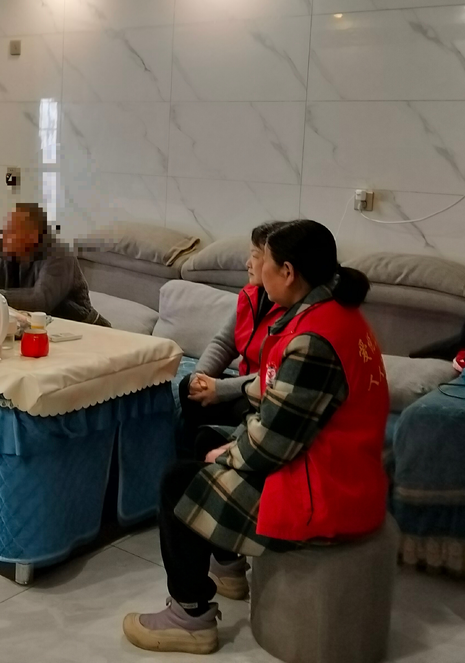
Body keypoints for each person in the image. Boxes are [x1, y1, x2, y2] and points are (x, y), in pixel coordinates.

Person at [123, 220, 389, 655]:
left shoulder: (314, 338)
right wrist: (231, 433)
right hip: (341, 470)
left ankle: (189, 617)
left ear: (287, 271)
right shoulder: (335, 314)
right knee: (205, 439)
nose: (255, 267)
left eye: (262, 260)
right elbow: (277, 393)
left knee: (178, 482)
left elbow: (272, 444)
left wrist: (231, 453)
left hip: (323, 493)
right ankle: (227, 567)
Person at [177, 221, 286, 456]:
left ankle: (221, 449)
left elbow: (275, 374)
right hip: (242, 384)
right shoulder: (250, 294)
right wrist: (201, 376)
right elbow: (224, 343)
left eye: (254, 256)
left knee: (238, 409)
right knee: (188, 387)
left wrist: (220, 389)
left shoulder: (292, 309)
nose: (248, 264)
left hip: (264, 392)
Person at [0, 202, 109, 326]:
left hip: (81, 329)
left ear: (33, 236)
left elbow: (39, 301)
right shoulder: (1, 248)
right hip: (30, 327)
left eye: (11, 230)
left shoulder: (60, 254)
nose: (3, 235)